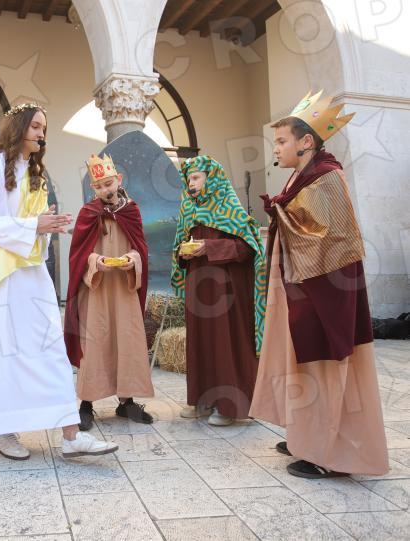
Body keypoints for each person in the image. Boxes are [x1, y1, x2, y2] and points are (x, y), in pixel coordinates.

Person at [249, 90, 389, 478]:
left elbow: (331, 239)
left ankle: (331, 454)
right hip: (300, 287)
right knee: (302, 365)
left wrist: (279, 211)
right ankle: (306, 438)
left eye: (281, 141)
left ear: (306, 142)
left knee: (325, 368)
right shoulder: (301, 176)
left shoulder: (327, 177)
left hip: (324, 293)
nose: (276, 148)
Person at [0, 103, 118, 460]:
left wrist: (47, 226)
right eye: (36, 126)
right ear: (18, 127)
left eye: (44, 128)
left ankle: (71, 435)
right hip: (3, 276)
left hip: (33, 276)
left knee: (50, 349)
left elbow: (34, 227)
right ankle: (2, 431)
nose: (41, 133)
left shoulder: (36, 174)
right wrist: (33, 225)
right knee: (4, 352)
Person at [171, 155, 265, 426]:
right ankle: (202, 400)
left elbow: (248, 248)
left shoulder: (229, 206)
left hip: (227, 290)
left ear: (212, 179)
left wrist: (209, 248)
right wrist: (183, 254)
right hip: (199, 288)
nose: (191, 183)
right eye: (189, 179)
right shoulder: (188, 208)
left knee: (226, 342)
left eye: (196, 178)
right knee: (200, 342)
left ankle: (229, 407)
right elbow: (180, 243)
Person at [64, 154, 153, 430]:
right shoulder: (88, 213)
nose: (105, 189)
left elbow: (140, 249)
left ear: (119, 180)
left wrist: (132, 260)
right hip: (96, 289)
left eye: (109, 183)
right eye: (99, 186)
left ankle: (127, 401)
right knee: (95, 342)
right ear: (93, 188)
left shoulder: (131, 211)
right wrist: (95, 261)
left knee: (127, 340)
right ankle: (86, 404)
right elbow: (77, 255)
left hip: (124, 288)